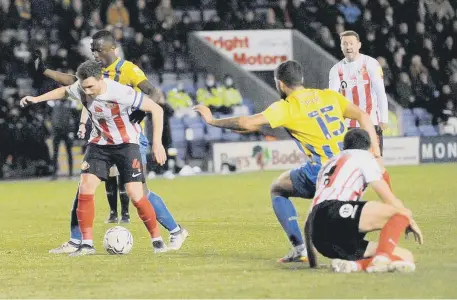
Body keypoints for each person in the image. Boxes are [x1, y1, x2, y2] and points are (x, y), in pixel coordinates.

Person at [193, 60, 381, 262]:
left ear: (280, 84)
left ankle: (301, 247)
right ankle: (361, 242)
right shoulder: (328, 95)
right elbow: (363, 115)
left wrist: (212, 121)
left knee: (278, 189)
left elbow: (247, 123)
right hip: (353, 169)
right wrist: (375, 153)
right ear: (301, 79)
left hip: (323, 171)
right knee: (340, 211)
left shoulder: (287, 107)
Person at [33, 30, 188, 254]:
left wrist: (143, 114)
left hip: (131, 137)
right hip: (103, 138)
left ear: (112, 48)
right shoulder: (95, 72)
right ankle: (79, 241)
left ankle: (174, 231)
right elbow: (72, 85)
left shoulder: (129, 70)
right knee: (84, 188)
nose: (94, 52)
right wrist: (45, 71)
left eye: (98, 48)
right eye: (92, 48)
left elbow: (154, 94)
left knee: (140, 193)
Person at [20, 60, 169, 256]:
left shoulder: (120, 92)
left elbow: (157, 109)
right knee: (85, 187)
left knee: (135, 194)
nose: (87, 91)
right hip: (99, 144)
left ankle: (157, 240)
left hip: (127, 144)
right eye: (84, 87)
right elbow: (64, 91)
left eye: (91, 86)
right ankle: (87, 245)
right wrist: (36, 99)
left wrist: (157, 144)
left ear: (100, 79)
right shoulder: (81, 88)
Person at [305, 128, 423, 273]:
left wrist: (312, 261)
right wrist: (407, 218)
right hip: (334, 212)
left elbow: (312, 213)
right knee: (400, 212)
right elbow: (390, 199)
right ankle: (382, 257)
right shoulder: (364, 157)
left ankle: (355, 265)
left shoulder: (329, 164)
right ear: (369, 146)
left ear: (345, 145)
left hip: (322, 237)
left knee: (406, 257)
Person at [328, 30, 392, 188]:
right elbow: (332, 97)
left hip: (370, 123)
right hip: (348, 126)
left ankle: (391, 202)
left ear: (359, 45)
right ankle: (347, 202)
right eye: (345, 44)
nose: (348, 46)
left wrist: (383, 118)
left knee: (377, 164)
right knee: (347, 167)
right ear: (341, 47)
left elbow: (380, 92)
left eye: (351, 43)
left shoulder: (370, 64)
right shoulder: (336, 69)